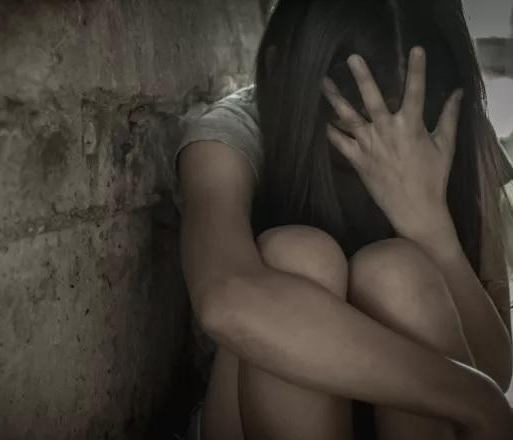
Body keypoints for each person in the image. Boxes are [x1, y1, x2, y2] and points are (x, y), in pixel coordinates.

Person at [172, 0, 513, 439]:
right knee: (296, 256)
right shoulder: (233, 135)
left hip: (418, 419)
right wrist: (472, 397)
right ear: (282, 71)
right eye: (352, 118)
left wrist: (431, 228)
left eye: (416, 117)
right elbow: (224, 300)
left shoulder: (459, 134)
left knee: (399, 272)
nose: (389, 135)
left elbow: (493, 368)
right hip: (253, 416)